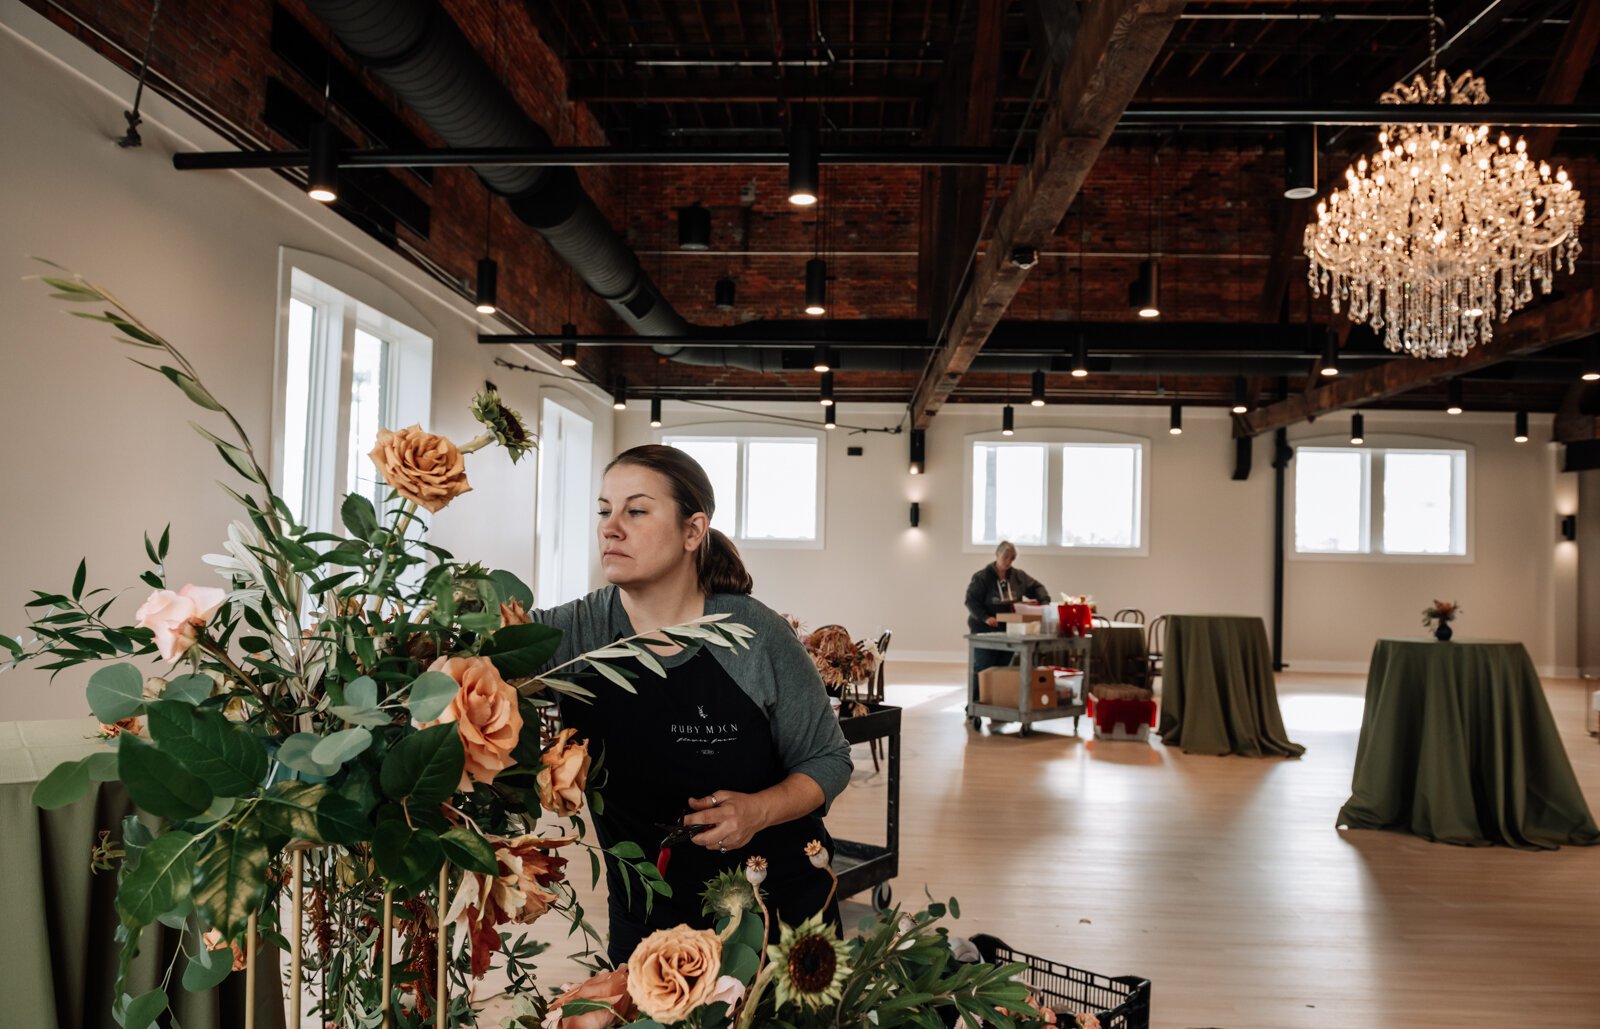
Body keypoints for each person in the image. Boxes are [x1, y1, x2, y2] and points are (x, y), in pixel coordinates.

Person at [526, 444, 851, 965]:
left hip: (776, 914)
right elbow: (474, 662)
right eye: (604, 511)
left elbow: (828, 760)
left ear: (693, 530)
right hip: (649, 921)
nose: (611, 527)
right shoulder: (574, 633)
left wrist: (757, 810)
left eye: (635, 510)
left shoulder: (754, 636)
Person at [964, 541, 1051, 695]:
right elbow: (971, 601)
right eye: (1005, 557)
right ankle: (974, 706)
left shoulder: (1019, 576)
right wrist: (985, 617)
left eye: (1011, 559)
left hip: (1009, 629)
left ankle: (996, 701)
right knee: (983, 666)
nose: (1008, 562)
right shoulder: (982, 577)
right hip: (985, 629)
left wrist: (1045, 603)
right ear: (997, 554)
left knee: (1002, 667)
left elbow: (1037, 587)